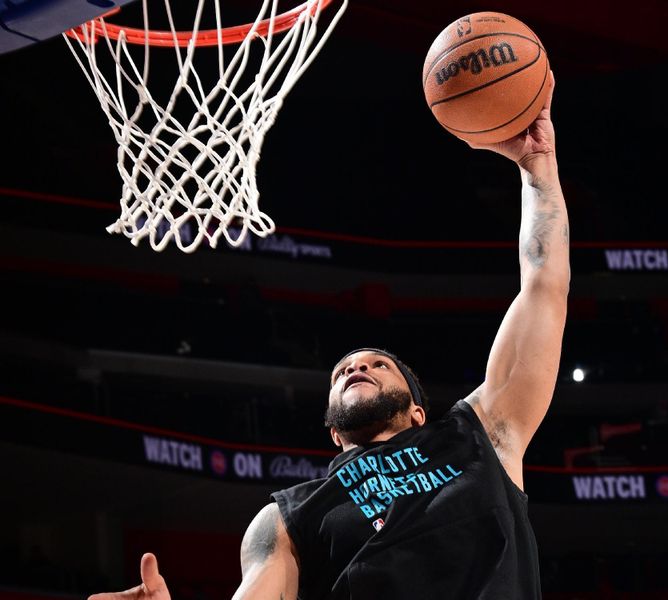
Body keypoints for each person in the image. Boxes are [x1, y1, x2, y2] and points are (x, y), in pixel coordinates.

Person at [90, 70, 568, 600]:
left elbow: (543, 285)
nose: (355, 368)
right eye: (343, 372)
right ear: (334, 434)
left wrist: (537, 168)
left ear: (417, 412)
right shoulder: (286, 518)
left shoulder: (481, 435)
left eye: (376, 364)